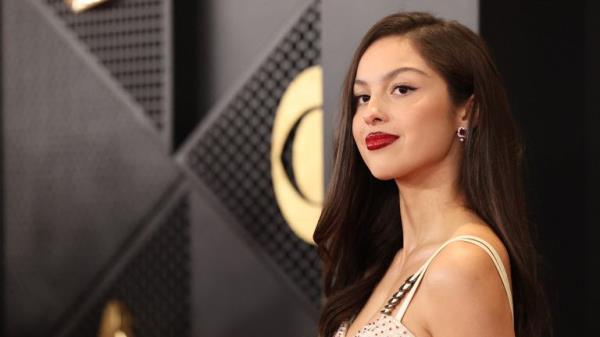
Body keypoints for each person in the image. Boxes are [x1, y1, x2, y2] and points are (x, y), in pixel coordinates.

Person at [313, 12, 551, 337]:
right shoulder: (390, 262)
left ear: (468, 110)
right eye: (363, 97)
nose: (372, 113)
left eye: (402, 89)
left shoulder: (461, 265)